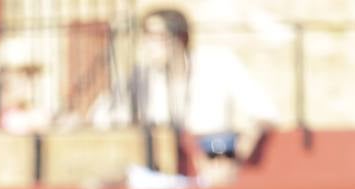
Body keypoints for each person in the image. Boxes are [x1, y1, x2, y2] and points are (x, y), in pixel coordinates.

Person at [94, 8, 278, 175]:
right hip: (163, 171)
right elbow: (103, 116)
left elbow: (264, 111)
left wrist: (246, 139)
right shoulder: (142, 77)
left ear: (179, 38)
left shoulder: (218, 63)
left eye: (156, 37)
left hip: (214, 166)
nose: (148, 46)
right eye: (146, 37)